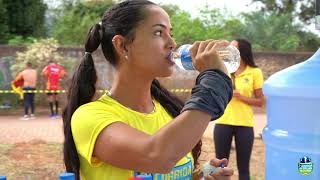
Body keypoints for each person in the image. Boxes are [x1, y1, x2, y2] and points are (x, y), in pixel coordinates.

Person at [63, 1, 234, 180]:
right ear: (122, 45)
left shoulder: (170, 110)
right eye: (158, 33)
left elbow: (166, 172)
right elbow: (156, 157)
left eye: (171, 33)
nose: (172, 43)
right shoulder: (90, 117)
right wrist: (213, 81)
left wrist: (202, 175)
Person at [213, 39, 265, 180]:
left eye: (233, 47)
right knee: (220, 166)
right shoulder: (223, 70)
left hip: (245, 124)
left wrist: (241, 97)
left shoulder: (255, 72)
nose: (229, 49)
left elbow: (261, 102)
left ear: (242, 51)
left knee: (244, 169)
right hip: (223, 122)